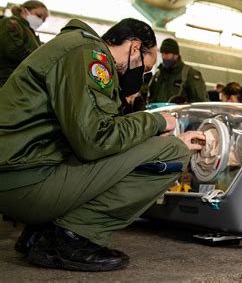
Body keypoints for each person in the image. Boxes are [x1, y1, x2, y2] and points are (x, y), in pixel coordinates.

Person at [0, 18, 206, 271]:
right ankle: (71, 237)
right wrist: (155, 122)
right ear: (134, 48)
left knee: (158, 146)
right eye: (145, 69)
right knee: (173, 154)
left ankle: (42, 231)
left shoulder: (72, 47)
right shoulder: (90, 54)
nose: (140, 77)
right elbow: (95, 140)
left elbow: (89, 131)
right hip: (25, 184)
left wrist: (148, 137)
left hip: (19, 175)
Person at [0, 0, 48, 87]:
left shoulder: (29, 31)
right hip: (6, 80)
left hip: (17, 80)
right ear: (24, 10)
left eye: (43, 20)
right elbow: (14, 50)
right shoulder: (11, 23)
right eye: (39, 15)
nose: (40, 21)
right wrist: (38, 60)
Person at [148, 38, 208, 103]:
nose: (164, 57)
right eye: (162, 53)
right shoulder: (158, 75)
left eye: (167, 54)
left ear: (176, 55)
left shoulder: (189, 74)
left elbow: (200, 101)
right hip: (157, 112)